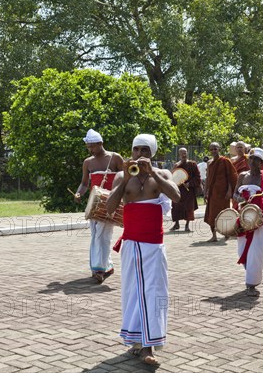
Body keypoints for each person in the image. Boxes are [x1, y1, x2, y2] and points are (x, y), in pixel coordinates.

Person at [106, 134, 181, 366]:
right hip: (131, 243)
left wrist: (154, 174)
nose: (139, 154)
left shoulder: (163, 175)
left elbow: (176, 196)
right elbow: (109, 208)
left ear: (152, 153)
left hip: (154, 245)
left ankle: (150, 346)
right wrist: (126, 177)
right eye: (136, 150)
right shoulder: (122, 175)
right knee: (133, 292)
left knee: (155, 291)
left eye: (145, 151)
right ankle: (137, 341)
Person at [74, 129, 124, 283]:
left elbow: (125, 178)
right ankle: (103, 267)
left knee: (103, 235)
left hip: (111, 202)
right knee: (98, 235)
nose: (90, 149)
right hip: (95, 204)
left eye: (92, 146)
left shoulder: (115, 158)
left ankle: (99, 268)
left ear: (100, 143)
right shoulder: (88, 162)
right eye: (88, 147)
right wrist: (78, 194)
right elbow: (84, 184)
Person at [233, 148, 263, 297]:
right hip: (242, 218)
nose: (252, 162)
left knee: (256, 252)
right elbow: (235, 193)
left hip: (258, 221)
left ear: (261, 162)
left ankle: (251, 284)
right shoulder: (242, 176)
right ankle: (251, 273)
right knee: (242, 250)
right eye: (251, 159)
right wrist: (240, 199)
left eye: (256, 160)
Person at [204, 142, 238, 242]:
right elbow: (208, 178)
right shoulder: (209, 163)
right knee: (212, 213)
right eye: (211, 149)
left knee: (224, 213)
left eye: (215, 149)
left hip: (223, 193)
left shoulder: (225, 161)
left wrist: (229, 190)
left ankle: (226, 233)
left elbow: (231, 176)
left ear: (219, 149)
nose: (213, 151)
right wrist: (205, 191)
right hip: (213, 192)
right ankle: (214, 235)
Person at [170, 148, 201, 232]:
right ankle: (176, 224)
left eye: (185, 153)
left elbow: (197, 177)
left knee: (188, 207)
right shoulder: (176, 165)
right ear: (179, 155)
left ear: (187, 153)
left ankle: (187, 225)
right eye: (182, 153)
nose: (184, 155)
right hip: (178, 190)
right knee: (176, 206)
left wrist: (190, 183)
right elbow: (172, 176)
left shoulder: (192, 164)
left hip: (188, 191)